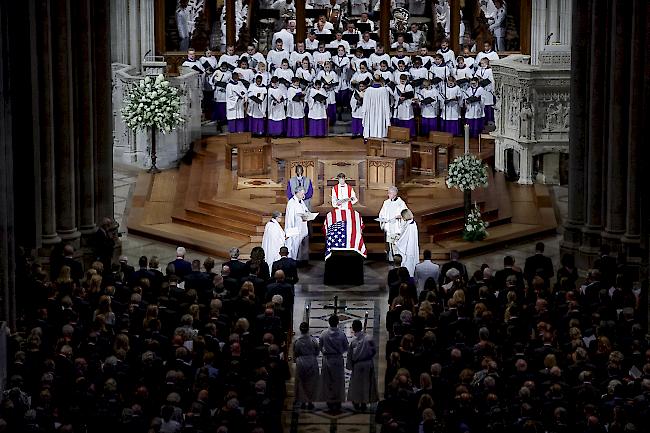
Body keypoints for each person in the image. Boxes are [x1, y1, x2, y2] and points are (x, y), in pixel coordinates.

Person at [347, 319, 378, 411]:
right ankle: (364, 402)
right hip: (368, 364)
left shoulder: (353, 342)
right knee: (366, 384)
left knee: (357, 385)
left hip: (357, 365)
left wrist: (350, 366)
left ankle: (356, 402)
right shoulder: (369, 338)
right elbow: (374, 351)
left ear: (353, 328)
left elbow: (350, 355)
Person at [320, 315, 349, 412]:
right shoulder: (341, 334)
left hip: (327, 358)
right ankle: (337, 401)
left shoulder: (324, 333)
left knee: (328, 381)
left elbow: (320, 345)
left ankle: (329, 400)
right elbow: (346, 347)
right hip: (337, 359)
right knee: (338, 380)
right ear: (338, 322)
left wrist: (325, 351)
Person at [293, 322, 320, 410]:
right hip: (312, 361)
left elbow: (296, 352)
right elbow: (317, 351)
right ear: (308, 329)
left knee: (301, 383)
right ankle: (310, 401)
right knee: (311, 383)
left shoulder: (297, 341)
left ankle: (302, 401)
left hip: (301, 362)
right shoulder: (313, 340)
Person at [379, 186, 408, 261]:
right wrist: (382, 219)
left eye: (390, 193)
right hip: (389, 227)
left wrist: (400, 216)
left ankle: (398, 259)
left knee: (396, 244)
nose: (388, 195)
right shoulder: (386, 202)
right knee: (390, 244)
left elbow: (406, 214)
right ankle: (391, 259)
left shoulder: (401, 203)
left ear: (395, 194)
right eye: (388, 193)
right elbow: (381, 213)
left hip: (396, 227)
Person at [362, 73, 391, 139]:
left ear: (373, 80)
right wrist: (387, 117)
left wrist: (364, 116)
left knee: (370, 125)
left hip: (370, 113)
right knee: (380, 125)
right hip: (380, 113)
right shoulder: (384, 90)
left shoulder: (368, 90)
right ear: (381, 80)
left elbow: (365, 105)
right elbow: (386, 105)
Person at [285, 186, 310, 261]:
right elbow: (290, 218)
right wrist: (291, 231)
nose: (303, 196)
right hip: (295, 229)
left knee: (302, 246)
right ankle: (293, 261)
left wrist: (308, 215)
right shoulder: (291, 202)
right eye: (302, 194)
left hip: (302, 227)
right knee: (294, 246)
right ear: (297, 193)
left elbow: (306, 210)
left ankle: (301, 261)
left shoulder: (301, 201)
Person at [395, 208, 419, 277]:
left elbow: (404, 239)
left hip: (408, 249)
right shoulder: (412, 223)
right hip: (411, 247)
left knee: (408, 265)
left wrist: (397, 242)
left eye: (402, 217)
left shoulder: (410, 226)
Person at [391, 73, 416, 137]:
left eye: (404, 80)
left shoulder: (409, 86)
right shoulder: (397, 87)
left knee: (407, 118)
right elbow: (395, 95)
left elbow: (411, 95)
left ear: (406, 80)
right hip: (400, 105)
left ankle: (409, 134)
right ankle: (401, 134)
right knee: (401, 118)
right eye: (401, 80)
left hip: (407, 105)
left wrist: (406, 97)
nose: (402, 81)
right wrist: (399, 98)